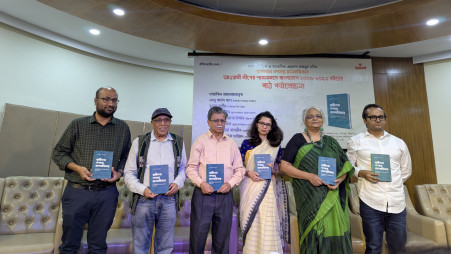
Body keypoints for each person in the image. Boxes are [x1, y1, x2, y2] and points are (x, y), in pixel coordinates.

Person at [52, 86, 131, 253]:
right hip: (77, 192)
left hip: (107, 194)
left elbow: (127, 157)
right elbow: (58, 153)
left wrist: (119, 173)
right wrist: (78, 168)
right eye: (106, 99)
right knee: (69, 245)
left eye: (114, 100)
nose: (110, 103)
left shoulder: (123, 129)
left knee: (98, 246)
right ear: (96, 101)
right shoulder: (77, 125)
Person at [280, 106, 354, 253]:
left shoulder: (331, 142)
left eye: (318, 116)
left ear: (323, 120)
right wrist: (310, 176)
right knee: (313, 232)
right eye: (310, 116)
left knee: (335, 229)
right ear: (304, 120)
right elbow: (284, 166)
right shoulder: (297, 139)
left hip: (332, 194)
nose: (315, 118)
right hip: (309, 197)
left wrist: (339, 180)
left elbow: (344, 166)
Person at [347, 104, 412, 254]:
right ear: (365, 120)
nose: (378, 120)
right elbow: (347, 165)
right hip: (370, 200)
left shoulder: (398, 142)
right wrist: (360, 173)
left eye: (381, 117)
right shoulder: (356, 141)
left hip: (396, 202)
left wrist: (392, 183)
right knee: (373, 247)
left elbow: (406, 170)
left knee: (398, 247)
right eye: (373, 117)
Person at [124, 108, 187, 254]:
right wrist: (142, 189)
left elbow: (184, 168)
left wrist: (177, 183)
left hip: (169, 200)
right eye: (159, 120)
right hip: (144, 200)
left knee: (165, 247)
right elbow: (129, 173)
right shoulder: (139, 142)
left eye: (167, 120)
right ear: (152, 123)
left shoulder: (178, 142)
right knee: (140, 247)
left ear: (170, 123)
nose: (163, 123)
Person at [186, 106, 245, 254]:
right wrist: (201, 183)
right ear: (208, 122)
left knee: (222, 242)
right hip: (203, 196)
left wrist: (229, 184)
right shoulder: (200, 141)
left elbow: (240, 170)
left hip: (225, 196)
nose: (219, 123)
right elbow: (190, 168)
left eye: (222, 120)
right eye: (216, 120)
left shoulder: (231, 143)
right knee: (197, 240)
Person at [239, 111, 289, 253]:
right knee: (252, 221)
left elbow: (280, 168)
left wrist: (275, 169)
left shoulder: (275, 145)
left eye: (268, 124)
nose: (265, 127)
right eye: (262, 123)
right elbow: (239, 167)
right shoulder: (246, 144)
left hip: (269, 188)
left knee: (268, 222)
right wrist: (249, 173)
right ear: (256, 124)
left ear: (272, 127)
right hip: (250, 186)